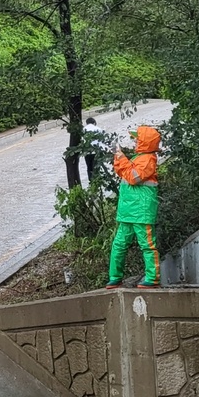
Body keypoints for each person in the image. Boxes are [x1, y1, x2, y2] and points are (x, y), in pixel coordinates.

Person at [107, 124, 161, 289]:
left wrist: (120, 157)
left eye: (137, 138)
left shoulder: (148, 160)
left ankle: (152, 278)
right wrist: (118, 156)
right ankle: (115, 278)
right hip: (130, 211)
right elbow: (124, 172)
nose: (135, 140)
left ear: (145, 141)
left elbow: (132, 177)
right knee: (119, 244)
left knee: (146, 245)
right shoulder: (139, 158)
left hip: (141, 211)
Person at [83, 117, 106, 181]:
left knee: (89, 167)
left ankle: (91, 181)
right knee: (96, 167)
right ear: (94, 122)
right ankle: (97, 181)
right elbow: (102, 140)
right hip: (96, 151)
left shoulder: (83, 130)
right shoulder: (98, 129)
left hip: (87, 152)